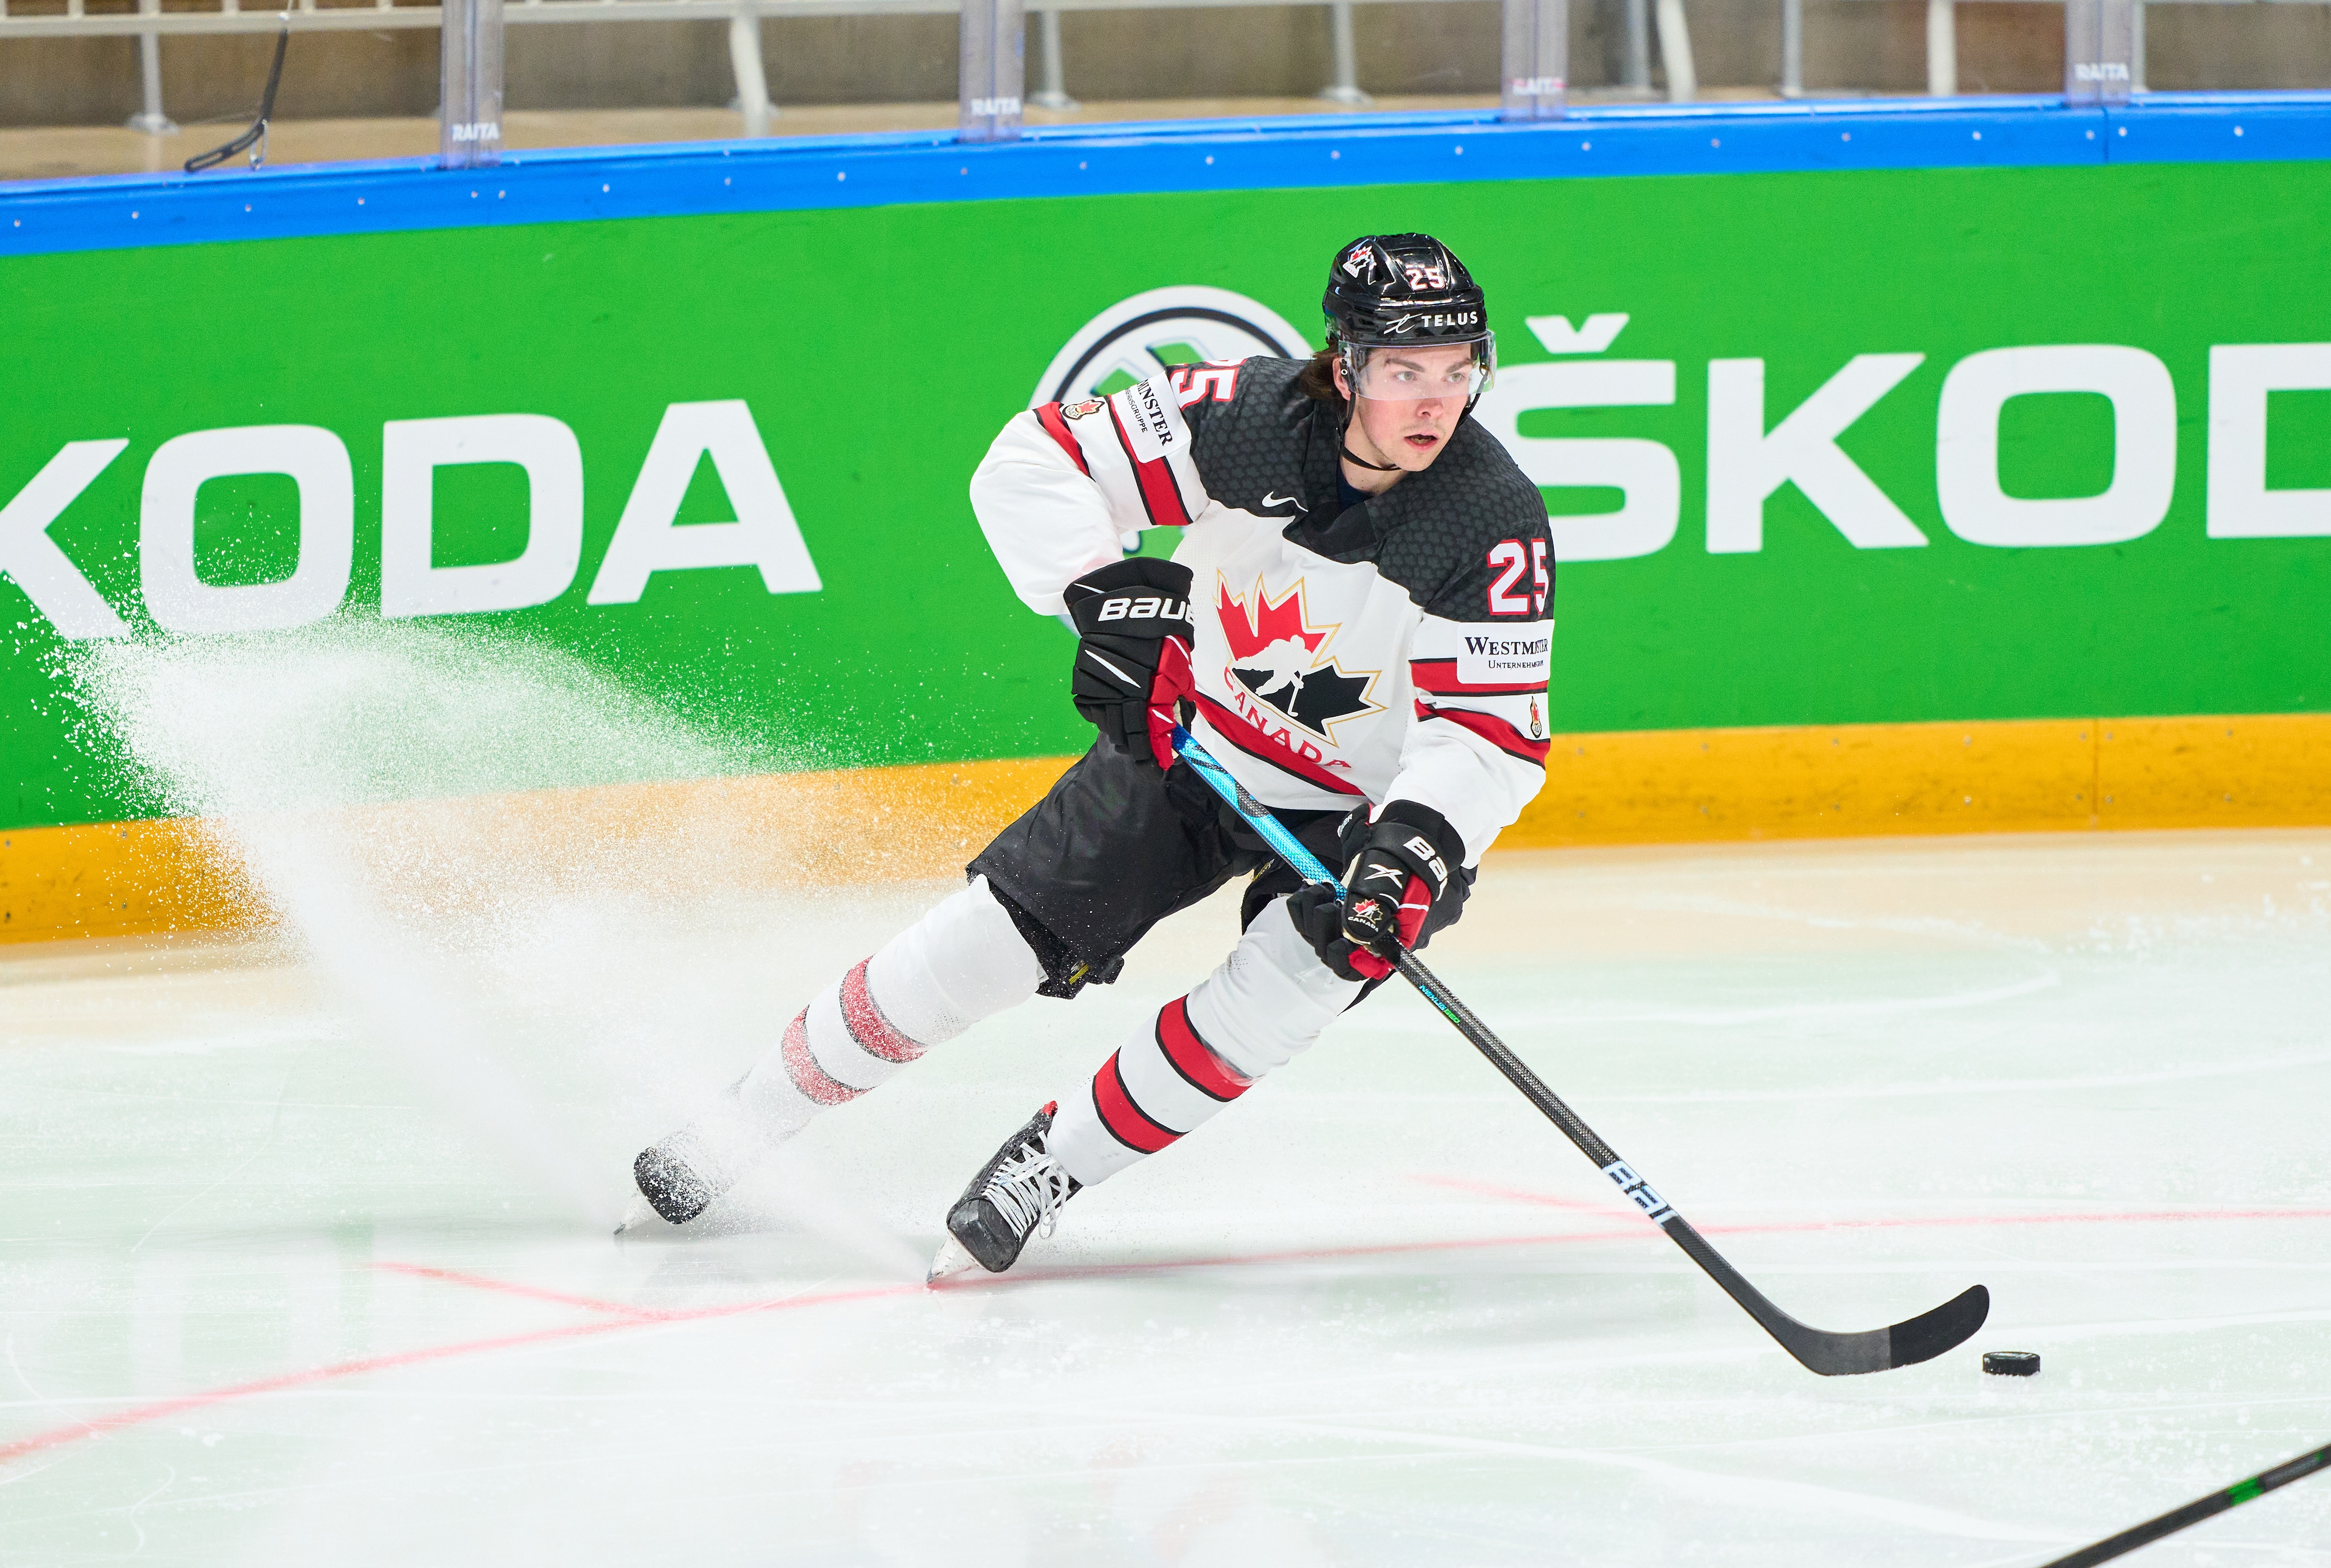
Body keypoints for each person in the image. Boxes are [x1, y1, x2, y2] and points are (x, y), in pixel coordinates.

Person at [624, 233, 1556, 1278]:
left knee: (1298, 977)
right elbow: (1032, 459)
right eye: (1401, 372)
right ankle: (745, 1119)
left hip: (1358, 809)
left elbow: (1487, 731)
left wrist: (1415, 848)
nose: (1435, 401)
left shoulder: (1492, 520)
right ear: (1343, 368)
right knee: (978, 949)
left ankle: (1052, 1165)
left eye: (1458, 369)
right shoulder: (1245, 418)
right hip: (1192, 740)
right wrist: (1099, 591)